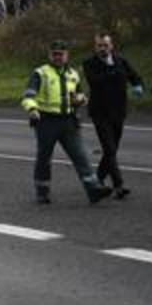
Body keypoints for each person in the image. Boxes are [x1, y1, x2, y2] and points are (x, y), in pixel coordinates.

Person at [21, 42, 111, 205]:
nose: (58, 57)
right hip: (46, 121)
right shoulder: (40, 73)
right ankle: (42, 191)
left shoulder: (73, 74)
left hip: (68, 121)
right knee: (44, 157)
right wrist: (32, 109)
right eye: (54, 54)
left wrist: (81, 100)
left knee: (80, 156)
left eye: (61, 54)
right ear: (50, 55)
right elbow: (28, 95)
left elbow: (81, 95)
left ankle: (93, 190)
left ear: (66, 55)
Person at [82, 33, 145, 199]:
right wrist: (114, 71)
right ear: (95, 47)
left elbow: (134, 76)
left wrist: (138, 85)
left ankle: (98, 180)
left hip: (118, 111)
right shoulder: (90, 63)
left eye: (105, 45)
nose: (102, 48)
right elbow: (96, 81)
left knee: (112, 150)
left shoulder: (120, 61)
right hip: (100, 112)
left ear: (111, 46)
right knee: (109, 148)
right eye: (99, 46)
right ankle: (119, 185)